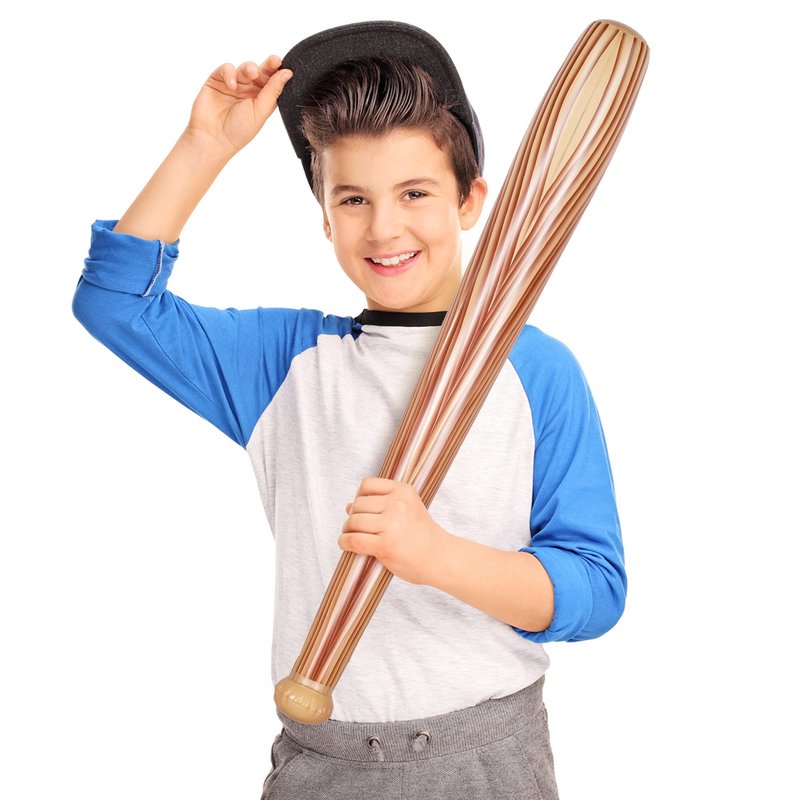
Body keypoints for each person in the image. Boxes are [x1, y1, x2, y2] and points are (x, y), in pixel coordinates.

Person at [73, 20, 625, 800]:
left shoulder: (539, 372)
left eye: (415, 193)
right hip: (323, 761)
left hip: (488, 759)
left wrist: (435, 556)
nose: (384, 226)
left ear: (471, 201)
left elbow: (595, 590)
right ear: (325, 218)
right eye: (354, 199)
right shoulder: (283, 364)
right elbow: (115, 303)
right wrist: (206, 146)